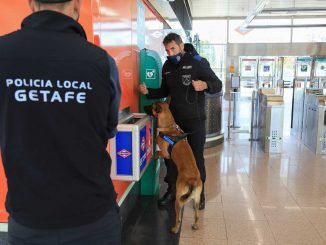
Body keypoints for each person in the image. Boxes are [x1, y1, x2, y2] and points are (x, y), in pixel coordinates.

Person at [0, 0, 121, 244]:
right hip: (93, 218)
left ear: (31, 4)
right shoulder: (101, 62)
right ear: (76, 5)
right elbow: (109, 128)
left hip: (28, 221)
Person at [140, 33, 222, 210]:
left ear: (181, 45)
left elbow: (218, 83)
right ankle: (171, 191)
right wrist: (148, 92)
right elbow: (163, 90)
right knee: (170, 158)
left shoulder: (198, 62)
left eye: (173, 49)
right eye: (167, 50)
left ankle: (200, 193)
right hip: (174, 126)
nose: (170, 53)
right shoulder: (167, 66)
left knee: (196, 158)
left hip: (195, 122)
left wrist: (205, 85)